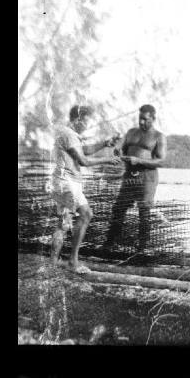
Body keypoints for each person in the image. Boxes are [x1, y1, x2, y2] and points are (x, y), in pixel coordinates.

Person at [51, 104, 121, 274]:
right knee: (86, 214)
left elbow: (83, 151)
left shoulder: (68, 134)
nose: (87, 126)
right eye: (86, 122)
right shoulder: (69, 134)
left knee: (63, 223)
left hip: (62, 182)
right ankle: (73, 262)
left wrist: (105, 144)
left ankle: (53, 263)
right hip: (68, 183)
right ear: (77, 119)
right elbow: (83, 161)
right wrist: (108, 160)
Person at [106, 104, 167, 255]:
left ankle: (142, 248)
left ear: (153, 119)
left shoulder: (159, 136)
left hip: (147, 177)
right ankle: (110, 243)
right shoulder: (131, 132)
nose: (141, 122)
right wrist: (117, 149)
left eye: (145, 119)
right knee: (118, 208)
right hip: (129, 175)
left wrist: (138, 161)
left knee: (144, 211)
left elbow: (160, 161)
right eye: (140, 119)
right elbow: (121, 149)